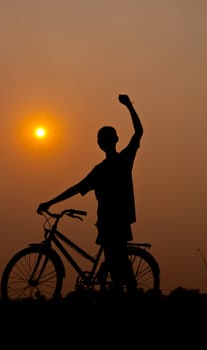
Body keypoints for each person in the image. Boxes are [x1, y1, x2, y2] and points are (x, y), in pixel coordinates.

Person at [37, 94, 143, 297]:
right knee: (116, 260)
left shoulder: (118, 163)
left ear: (106, 143)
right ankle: (126, 292)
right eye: (101, 139)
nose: (102, 142)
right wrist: (51, 201)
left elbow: (139, 132)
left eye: (103, 139)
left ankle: (130, 293)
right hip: (109, 221)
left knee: (117, 259)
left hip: (115, 221)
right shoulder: (104, 168)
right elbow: (78, 187)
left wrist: (130, 106)